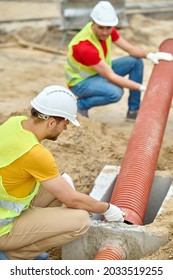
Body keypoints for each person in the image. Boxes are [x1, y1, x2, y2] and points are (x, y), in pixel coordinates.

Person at [0, 85, 125, 260]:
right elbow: (72, 199)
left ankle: (24, 238)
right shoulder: (35, 154)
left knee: (60, 186)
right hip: (3, 228)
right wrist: (107, 208)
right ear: (51, 122)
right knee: (80, 221)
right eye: (65, 123)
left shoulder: (15, 123)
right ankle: (15, 256)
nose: (65, 129)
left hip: (6, 202)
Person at [64, 1, 173, 121]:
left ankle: (133, 110)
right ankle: (80, 105)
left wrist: (150, 55)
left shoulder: (107, 30)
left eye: (108, 28)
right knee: (115, 93)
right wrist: (143, 87)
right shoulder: (84, 46)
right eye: (101, 28)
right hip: (80, 83)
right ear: (93, 23)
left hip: (99, 71)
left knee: (135, 61)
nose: (105, 32)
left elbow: (130, 49)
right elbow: (111, 76)